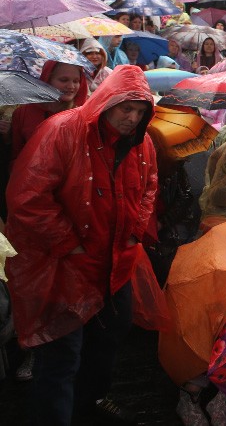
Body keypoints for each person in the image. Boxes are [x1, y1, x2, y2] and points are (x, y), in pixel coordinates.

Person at [5, 65, 158, 426]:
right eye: (126, 109)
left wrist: (136, 230)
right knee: (61, 355)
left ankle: (89, 404)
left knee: (107, 341)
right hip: (66, 267)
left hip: (115, 264)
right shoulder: (63, 131)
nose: (131, 118)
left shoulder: (142, 142)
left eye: (139, 111)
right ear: (108, 101)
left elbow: (149, 185)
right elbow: (27, 197)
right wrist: (68, 244)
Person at [11, 61, 88, 159]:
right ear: (47, 80)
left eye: (76, 81)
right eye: (64, 80)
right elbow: (16, 154)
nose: (71, 86)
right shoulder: (23, 113)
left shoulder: (83, 115)